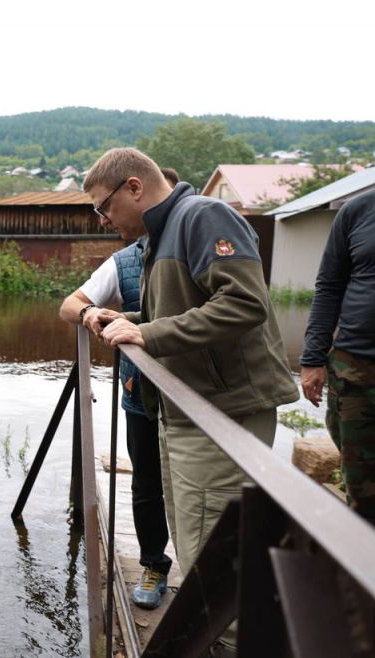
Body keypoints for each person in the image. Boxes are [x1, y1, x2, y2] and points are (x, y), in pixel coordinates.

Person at [84, 147, 299, 655]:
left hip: (220, 409)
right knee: (194, 542)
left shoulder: (202, 216)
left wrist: (149, 333)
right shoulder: (164, 231)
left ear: (133, 187)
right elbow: (186, 308)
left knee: (210, 552)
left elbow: (243, 303)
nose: (103, 219)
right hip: (187, 406)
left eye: (104, 206)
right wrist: (130, 322)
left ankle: (224, 643)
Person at [57, 167, 180, 610]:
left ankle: (206, 570)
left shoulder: (191, 246)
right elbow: (70, 304)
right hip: (139, 389)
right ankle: (153, 564)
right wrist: (91, 315)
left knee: (189, 483)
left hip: (194, 390)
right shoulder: (124, 259)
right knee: (146, 481)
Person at [300, 189, 375, 526]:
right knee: (362, 487)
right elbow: (329, 285)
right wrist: (312, 359)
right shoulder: (358, 210)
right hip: (355, 367)